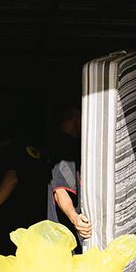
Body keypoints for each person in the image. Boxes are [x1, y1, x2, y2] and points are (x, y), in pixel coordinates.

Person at [0, 127, 49, 254]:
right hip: (38, 216)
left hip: (20, 218)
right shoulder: (29, 150)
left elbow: (12, 179)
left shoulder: (12, 152)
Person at [47, 106, 92, 248]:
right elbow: (60, 191)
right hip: (66, 240)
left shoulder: (60, 144)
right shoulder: (65, 145)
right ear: (77, 119)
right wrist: (76, 219)